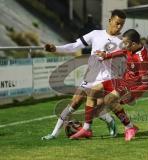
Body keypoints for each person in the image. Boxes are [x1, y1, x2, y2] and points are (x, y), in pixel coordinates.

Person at [41, 9, 126, 140]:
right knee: (75, 102)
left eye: (122, 24)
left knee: (97, 107)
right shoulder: (96, 34)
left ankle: (108, 123)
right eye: (117, 23)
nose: (119, 27)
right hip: (91, 76)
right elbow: (75, 46)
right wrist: (55, 48)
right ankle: (53, 134)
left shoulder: (122, 41)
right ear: (110, 21)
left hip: (108, 78)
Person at [69, 29, 148, 141]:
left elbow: (146, 84)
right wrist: (106, 55)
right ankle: (86, 129)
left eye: (126, 43)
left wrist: (132, 94)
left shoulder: (143, 58)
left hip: (133, 86)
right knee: (93, 91)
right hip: (124, 81)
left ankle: (129, 127)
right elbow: (122, 52)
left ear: (133, 44)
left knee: (109, 99)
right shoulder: (131, 48)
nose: (124, 45)